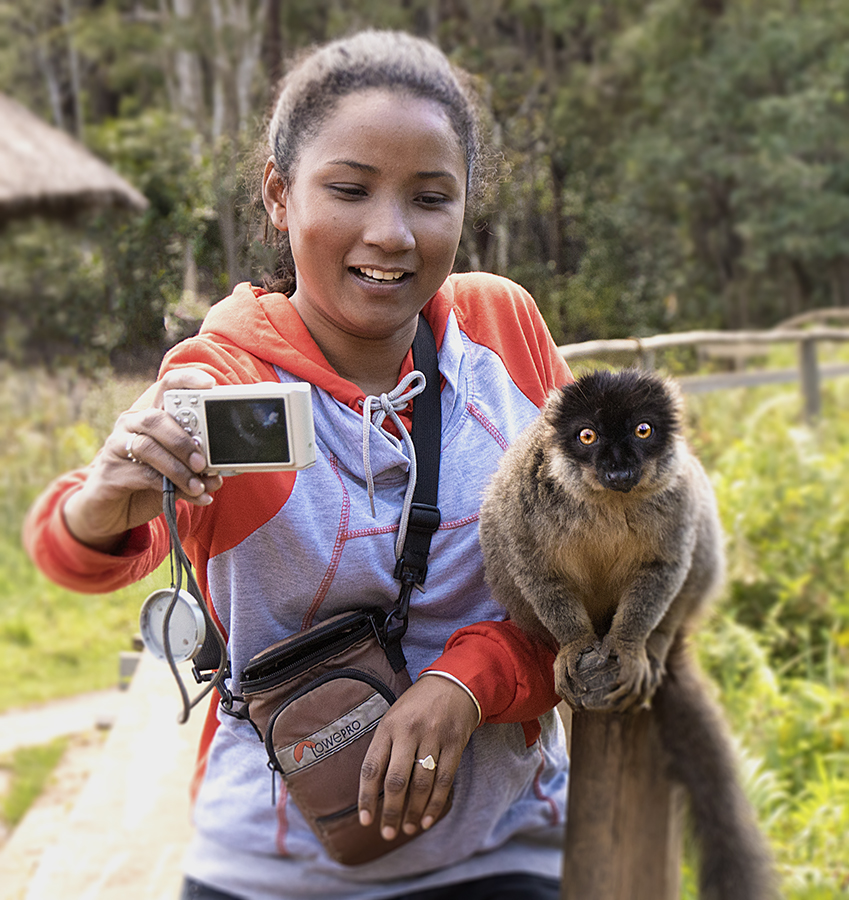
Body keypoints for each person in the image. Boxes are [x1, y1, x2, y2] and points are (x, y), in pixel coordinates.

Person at [24, 29, 573, 900]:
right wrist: (102, 501)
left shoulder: (503, 332)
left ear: (466, 205)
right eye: (349, 190)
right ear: (280, 195)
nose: (390, 234)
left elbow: (596, 582)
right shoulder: (223, 379)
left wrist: (468, 682)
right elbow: (73, 550)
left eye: (431, 198)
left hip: (508, 851)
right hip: (280, 872)